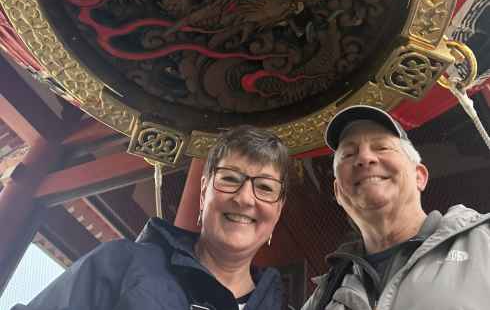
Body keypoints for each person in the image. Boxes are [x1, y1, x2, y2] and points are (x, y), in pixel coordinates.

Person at [13, 126, 289, 310]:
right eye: (230, 179)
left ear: (277, 210)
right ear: (204, 192)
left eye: (264, 187)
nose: (244, 198)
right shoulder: (121, 263)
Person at [302, 104, 490, 310]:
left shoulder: (483, 241)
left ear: (419, 176)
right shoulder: (324, 296)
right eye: (348, 154)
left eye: (382, 147)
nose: (364, 158)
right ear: (338, 192)